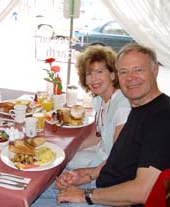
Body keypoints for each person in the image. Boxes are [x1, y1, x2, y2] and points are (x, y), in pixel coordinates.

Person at [56, 43, 170, 206]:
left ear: (155, 70)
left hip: (111, 199)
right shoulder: (138, 108)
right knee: (33, 193)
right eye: (124, 72)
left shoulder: (162, 118)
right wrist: (87, 174)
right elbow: (119, 159)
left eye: (138, 69)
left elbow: (143, 192)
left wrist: (85, 195)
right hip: (101, 185)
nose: (130, 77)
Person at [31, 45, 131, 207]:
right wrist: (67, 149)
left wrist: (86, 176)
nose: (93, 78)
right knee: (37, 190)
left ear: (113, 74)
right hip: (98, 164)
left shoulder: (122, 105)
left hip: (109, 175)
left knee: (60, 196)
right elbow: (97, 134)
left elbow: (118, 156)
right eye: (89, 73)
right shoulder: (100, 100)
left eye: (99, 72)